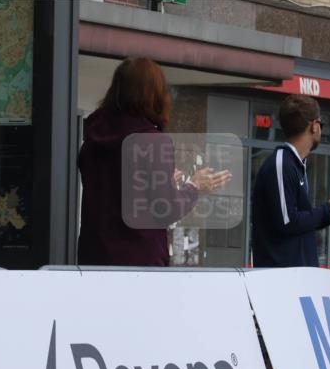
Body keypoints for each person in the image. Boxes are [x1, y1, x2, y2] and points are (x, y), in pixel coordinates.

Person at [77, 57, 231, 267]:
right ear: (154, 95)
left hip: (93, 259)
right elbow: (166, 210)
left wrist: (162, 182)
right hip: (139, 263)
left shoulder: (93, 138)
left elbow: (114, 190)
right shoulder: (152, 142)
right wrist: (195, 187)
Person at [251, 94, 330, 267]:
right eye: (321, 124)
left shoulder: (294, 164)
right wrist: (327, 210)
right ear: (314, 126)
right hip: (281, 279)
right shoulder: (282, 164)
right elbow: (287, 223)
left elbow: (298, 223)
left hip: (296, 276)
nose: (320, 129)